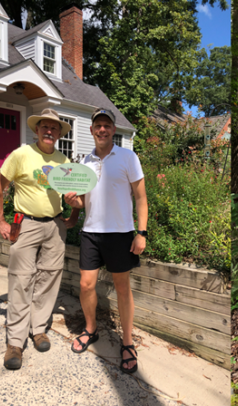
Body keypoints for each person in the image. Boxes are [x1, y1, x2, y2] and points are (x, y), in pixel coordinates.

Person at [0, 108, 80, 370]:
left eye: (54, 128)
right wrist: (0, 221)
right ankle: (15, 342)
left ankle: (38, 328)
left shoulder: (64, 162)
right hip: (25, 224)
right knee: (20, 280)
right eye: (45, 126)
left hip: (54, 226)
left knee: (50, 277)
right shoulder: (21, 155)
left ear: (60, 133)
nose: (49, 131)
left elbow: (76, 192)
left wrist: (74, 214)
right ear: (37, 130)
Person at [64, 108, 147, 374]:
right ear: (91, 130)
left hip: (121, 233)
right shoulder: (84, 162)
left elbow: (141, 198)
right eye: (97, 125)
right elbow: (83, 200)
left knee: (123, 289)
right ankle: (91, 329)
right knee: (86, 285)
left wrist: (141, 233)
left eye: (107, 125)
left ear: (113, 130)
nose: (102, 129)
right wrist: (72, 201)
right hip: (91, 232)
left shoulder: (127, 157)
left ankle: (127, 342)